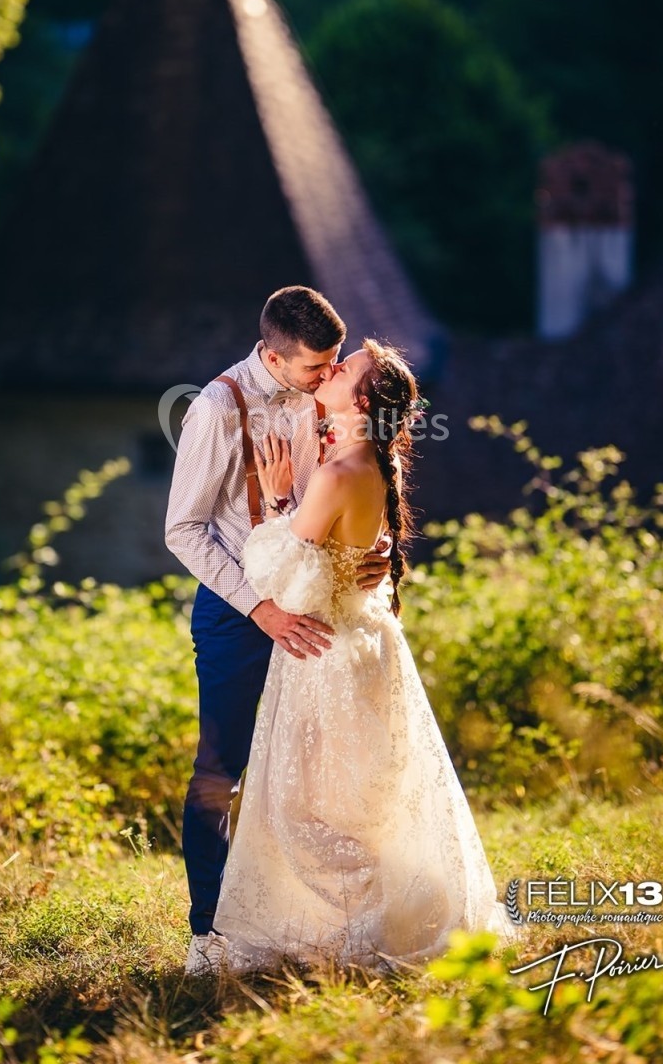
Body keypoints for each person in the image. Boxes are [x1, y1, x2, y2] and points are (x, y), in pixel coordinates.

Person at [211, 338, 517, 973]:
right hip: (366, 641)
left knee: (305, 806)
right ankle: (372, 915)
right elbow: (341, 559)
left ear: (362, 399)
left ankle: (358, 929)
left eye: (346, 367)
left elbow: (283, 580)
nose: (334, 365)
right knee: (356, 799)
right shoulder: (372, 464)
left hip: (325, 652)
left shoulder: (336, 473)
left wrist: (274, 500)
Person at [164, 286, 391, 975]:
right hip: (239, 613)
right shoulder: (212, 409)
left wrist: (366, 550)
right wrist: (258, 607)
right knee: (221, 769)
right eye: (314, 369)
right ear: (270, 354)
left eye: (333, 365)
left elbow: (339, 490)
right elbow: (183, 529)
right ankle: (208, 933)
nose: (329, 378)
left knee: (311, 770)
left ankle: (309, 917)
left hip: (316, 603)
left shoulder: (321, 399)